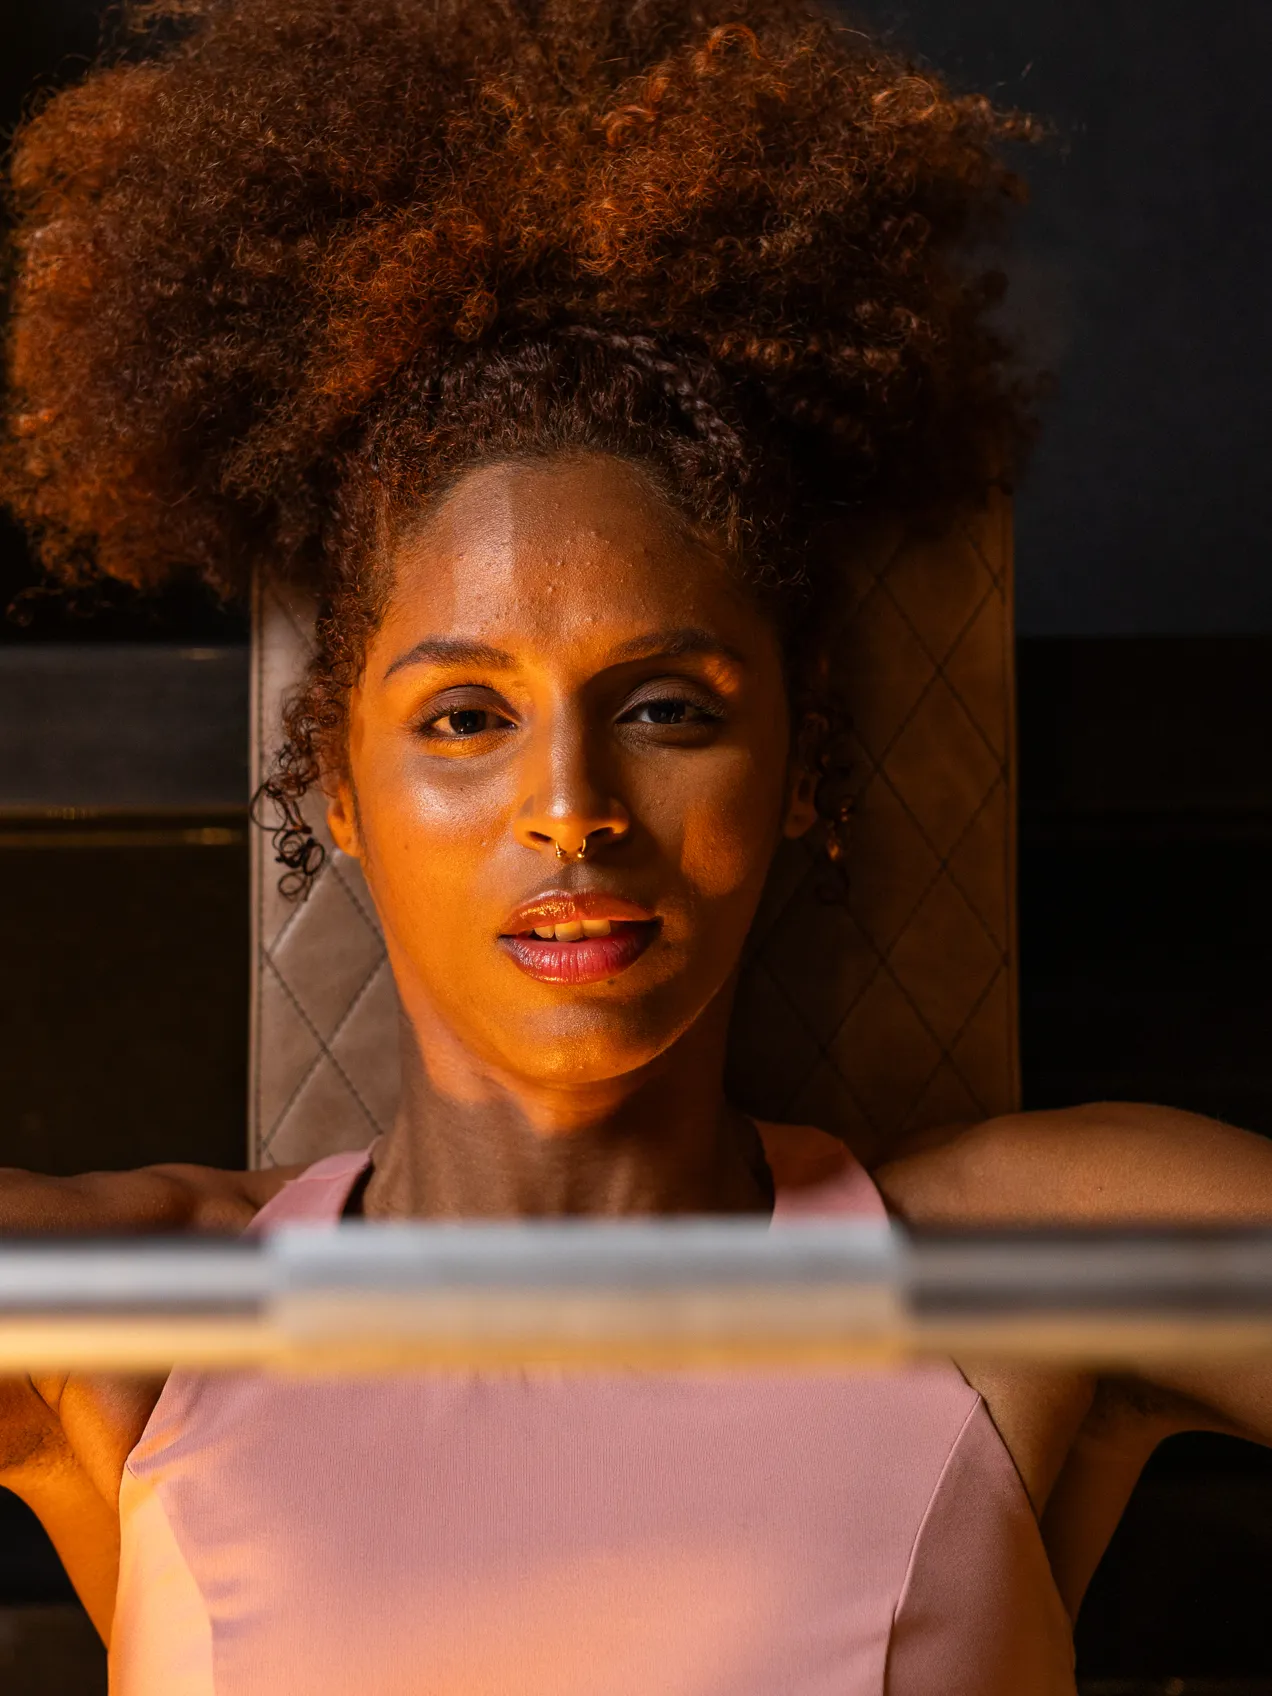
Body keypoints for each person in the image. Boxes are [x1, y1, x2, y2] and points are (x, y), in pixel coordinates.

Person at [2, 1, 1271, 1690]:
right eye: (465, 717)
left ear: (803, 770)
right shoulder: (122, 1321)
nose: (571, 807)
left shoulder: (1024, 1272)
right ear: (342, 796)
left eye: (668, 707)